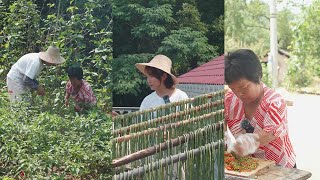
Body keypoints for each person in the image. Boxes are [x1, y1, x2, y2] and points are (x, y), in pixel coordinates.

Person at [224, 49, 296, 168]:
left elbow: (268, 135)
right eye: (234, 89)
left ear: (257, 76)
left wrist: (241, 145)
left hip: (280, 167)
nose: (239, 94)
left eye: (244, 88)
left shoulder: (275, 102)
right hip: (249, 164)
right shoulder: (229, 100)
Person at [135, 54, 188, 179]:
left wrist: (174, 132)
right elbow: (140, 127)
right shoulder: (147, 101)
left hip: (176, 150)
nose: (148, 80)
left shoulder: (181, 97)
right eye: (147, 76)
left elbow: (188, 123)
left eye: (152, 76)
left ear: (163, 76)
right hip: (153, 151)